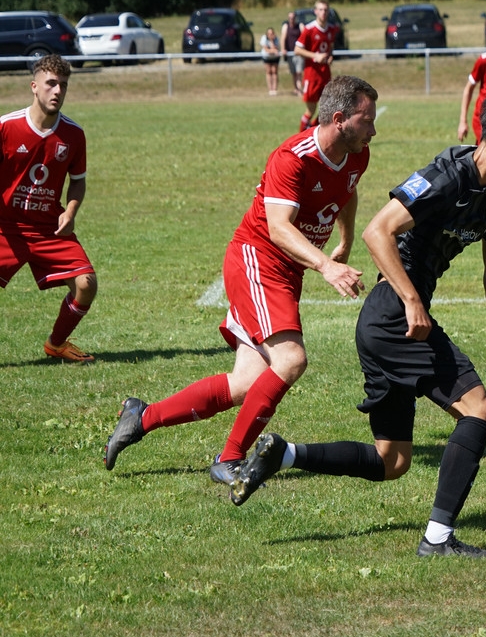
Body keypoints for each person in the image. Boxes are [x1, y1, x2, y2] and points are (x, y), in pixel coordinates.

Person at [230, 83, 486, 560]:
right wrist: (411, 299)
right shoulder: (446, 175)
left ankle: (285, 453)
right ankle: (437, 539)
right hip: (392, 317)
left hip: (391, 323)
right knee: (479, 412)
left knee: (392, 460)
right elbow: (376, 230)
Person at [104, 76, 378, 483]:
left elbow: (347, 191)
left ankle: (142, 416)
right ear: (339, 119)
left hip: (287, 270)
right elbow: (278, 228)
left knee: (246, 384)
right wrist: (326, 266)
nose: (373, 130)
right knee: (291, 360)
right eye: (366, 120)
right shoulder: (292, 158)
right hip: (257, 259)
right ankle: (229, 459)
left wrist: (346, 240)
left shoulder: (357, 155)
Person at [0, 54, 96, 363]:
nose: (57, 91)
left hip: (48, 229)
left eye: (63, 85)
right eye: (51, 83)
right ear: (34, 86)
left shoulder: (73, 135)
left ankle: (56, 344)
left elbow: (78, 182)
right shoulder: (6, 127)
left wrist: (70, 212)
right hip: (6, 227)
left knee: (86, 284)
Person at [295, 1, 340, 131]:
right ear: (315, 11)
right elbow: (297, 50)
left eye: (325, 10)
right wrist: (315, 56)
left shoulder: (331, 29)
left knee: (328, 107)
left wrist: (330, 56)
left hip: (325, 74)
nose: (323, 12)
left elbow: (330, 47)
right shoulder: (309, 29)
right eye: (320, 10)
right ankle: (302, 136)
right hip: (312, 75)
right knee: (311, 109)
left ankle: (313, 131)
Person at [280, 11, 303, 95]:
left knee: (299, 72)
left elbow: (305, 36)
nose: (291, 19)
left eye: (293, 18)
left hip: (299, 53)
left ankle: (299, 89)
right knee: (294, 72)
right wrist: (283, 49)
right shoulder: (286, 26)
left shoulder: (300, 26)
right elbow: (283, 38)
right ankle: (296, 89)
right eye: (290, 18)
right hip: (290, 53)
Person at [260, 27, 281, 96]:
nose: (270, 35)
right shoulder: (264, 39)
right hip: (266, 57)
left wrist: (272, 41)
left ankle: (274, 89)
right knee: (268, 72)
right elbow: (267, 50)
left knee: (274, 72)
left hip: (275, 57)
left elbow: (275, 48)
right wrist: (273, 50)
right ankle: (270, 89)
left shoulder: (276, 39)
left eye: (272, 33)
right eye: (269, 34)